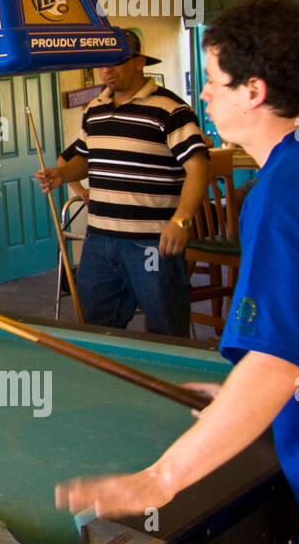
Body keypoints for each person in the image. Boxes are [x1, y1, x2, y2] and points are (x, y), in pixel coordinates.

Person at [57, 0, 299, 544]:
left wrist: (159, 480)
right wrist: (235, 397)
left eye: (215, 81)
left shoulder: (288, 190)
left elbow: (277, 363)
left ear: (255, 91)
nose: (206, 95)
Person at [34, 29, 209, 338]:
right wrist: (61, 175)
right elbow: (85, 160)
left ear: (139, 62)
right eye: (101, 62)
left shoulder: (171, 110)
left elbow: (198, 167)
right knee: (96, 331)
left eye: (115, 61)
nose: (106, 70)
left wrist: (181, 221)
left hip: (152, 242)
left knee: (167, 332)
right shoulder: (95, 109)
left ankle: (170, 386)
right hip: (99, 240)